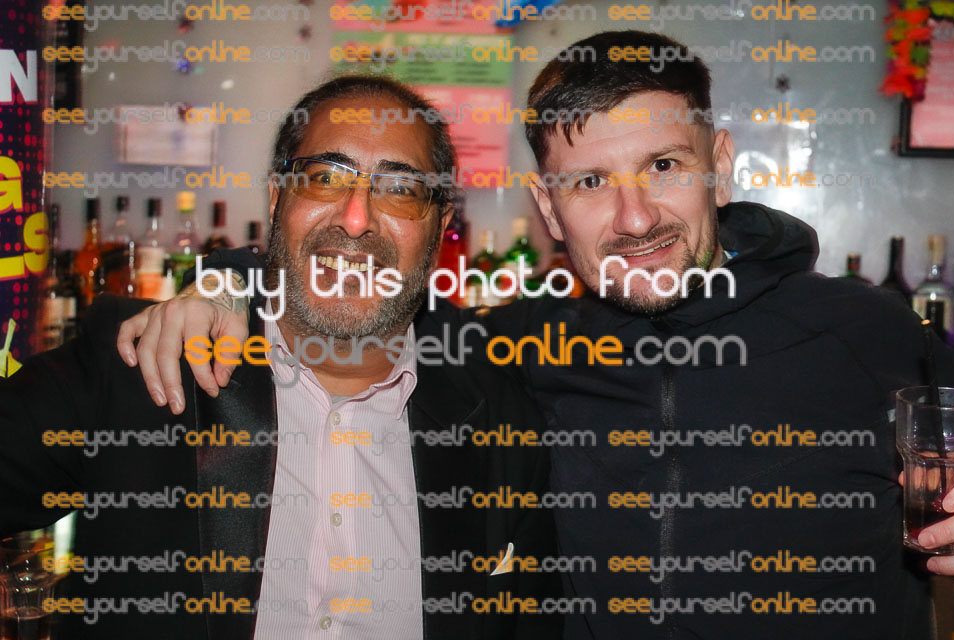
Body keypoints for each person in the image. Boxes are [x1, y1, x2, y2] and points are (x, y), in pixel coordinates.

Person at [119, 32, 954, 639]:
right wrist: (227, 282)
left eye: (664, 166)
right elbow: (359, 281)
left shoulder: (870, 332)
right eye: (589, 181)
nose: (636, 218)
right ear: (548, 210)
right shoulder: (512, 349)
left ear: (721, 163)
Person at [0, 75, 562, 640]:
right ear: (276, 200)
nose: (356, 218)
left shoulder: (502, 423)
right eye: (325, 177)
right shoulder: (145, 362)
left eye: (400, 188)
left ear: (439, 228)